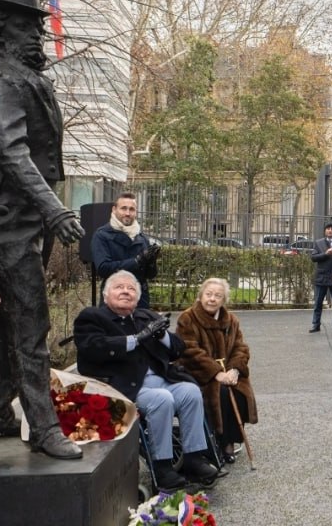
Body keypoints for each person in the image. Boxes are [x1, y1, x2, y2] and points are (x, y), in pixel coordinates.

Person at [0, 0, 86, 459]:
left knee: (3, 322)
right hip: (5, 220)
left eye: (36, 24)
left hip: (23, 219)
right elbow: (11, 153)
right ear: (2, 29)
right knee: (30, 322)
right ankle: (42, 427)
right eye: (25, 25)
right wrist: (55, 209)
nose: (37, 34)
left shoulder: (28, 78)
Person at [75, 271, 220, 489]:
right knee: (162, 399)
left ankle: (194, 459)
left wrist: (162, 336)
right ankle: (163, 468)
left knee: (190, 391)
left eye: (131, 288)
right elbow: (93, 348)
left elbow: (178, 349)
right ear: (106, 295)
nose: (126, 291)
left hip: (160, 379)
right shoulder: (93, 317)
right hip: (123, 385)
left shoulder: (145, 316)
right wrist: (135, 340)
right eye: (119, 287)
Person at [177, 278, 258, 463]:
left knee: (239, 389)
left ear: (223, 300)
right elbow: (189, 350)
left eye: (218, 296)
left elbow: (241, 347)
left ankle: (230, 439)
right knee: (220, 392)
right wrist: (216, 372)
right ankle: (220, 441)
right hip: (197, 372)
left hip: (227, 371)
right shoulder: (187, 318)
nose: (212, 299)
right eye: (208, 294)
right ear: (201, 296)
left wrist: (235, 370)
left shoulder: (231, 320)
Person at [92, 192, 159, 309]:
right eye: (124, 208)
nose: (128, 213)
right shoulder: (102, 235)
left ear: (136, 212)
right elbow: (103, 268)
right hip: (113, 299)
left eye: (132, 209)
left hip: (140, 301)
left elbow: (150, 275)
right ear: (114, 209)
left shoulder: (142, 238)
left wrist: (152, 262)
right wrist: (136, 261)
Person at [309, 223, 332, 333]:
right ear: (325, 231)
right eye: (328, 229)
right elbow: (313, 258)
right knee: (318, 303)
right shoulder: (318, 243)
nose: (330, 231)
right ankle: (315, 324)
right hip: (321, 276)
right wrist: (326, 254)